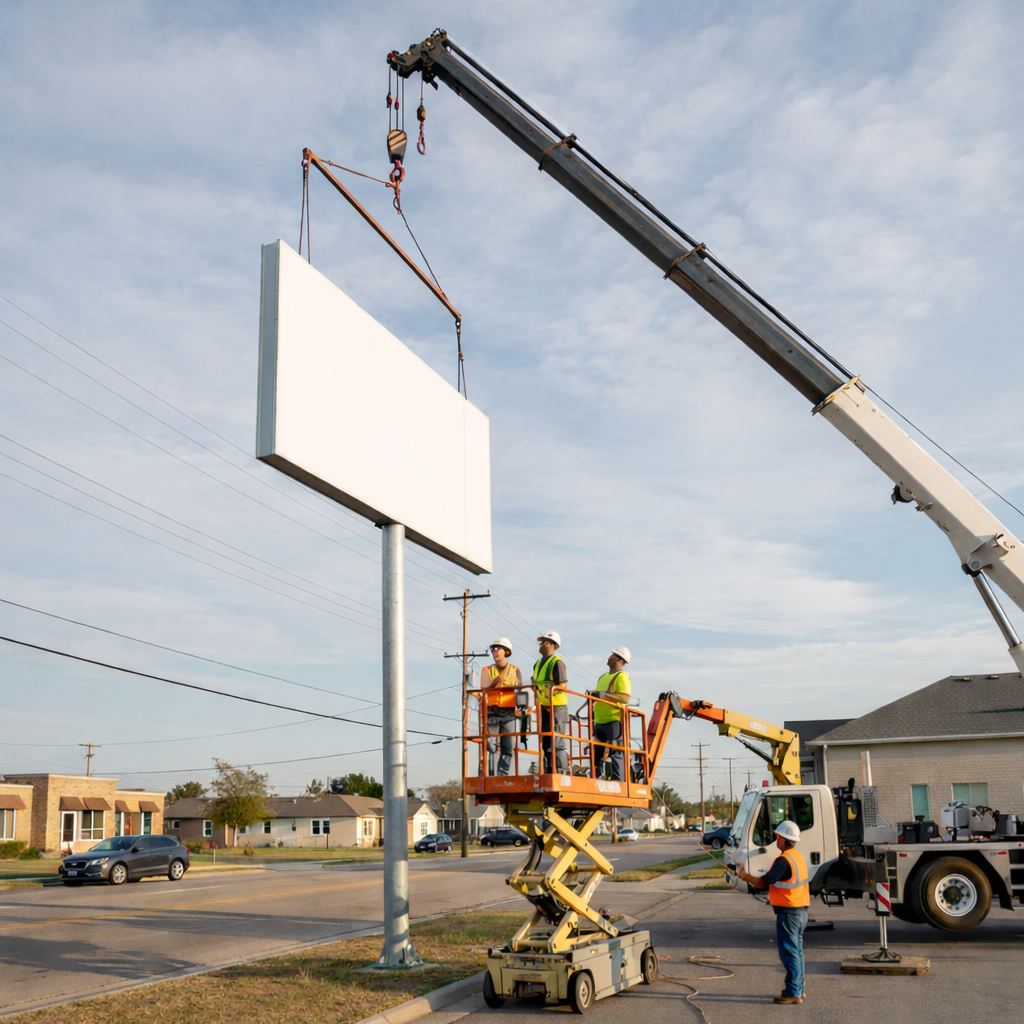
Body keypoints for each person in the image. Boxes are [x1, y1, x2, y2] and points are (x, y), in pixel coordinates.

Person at [736, 820, 809, 1004]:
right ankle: (798, 989)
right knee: (797, 953)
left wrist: (745, 875)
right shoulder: (797, 857)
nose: (775, 839)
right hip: (800, 912)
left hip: (789, 914)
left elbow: (763, 882)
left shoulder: (783, 861)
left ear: (782, 838)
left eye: (777, 836)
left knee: (790, 954)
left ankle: (793, 993)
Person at [480, 637, 522, 776]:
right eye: (493, 649)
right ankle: (490, 774)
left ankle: (501, 774)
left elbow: (520, 690)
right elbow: (483, 687)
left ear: (506, 651)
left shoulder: (515, 670)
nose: (494, 651)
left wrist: (521, 707)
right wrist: (494, 683)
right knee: (490, 744)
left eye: (497, 648)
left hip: (509, 713)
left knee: (507, 748)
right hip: (492, 711)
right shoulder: (487, 670)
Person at [591, 647, 632, 781]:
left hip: (614, 720)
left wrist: (601, 695)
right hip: (599, 721)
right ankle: (594, 776)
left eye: (613, 655)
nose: (610, 656)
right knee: (595, 753)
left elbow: (624, 698)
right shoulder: (603, 677)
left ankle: (618, 780)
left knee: (616, 753)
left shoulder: (622, 677)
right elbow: (598, 696)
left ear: (620, 659)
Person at [532, 631, 568, 774]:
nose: (542, 645)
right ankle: (549, 771)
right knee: (546, 742)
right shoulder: (537, 665)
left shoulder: (557, 663)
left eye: (546, 642)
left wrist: (549, 697)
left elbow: (562, 686)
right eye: (541, 642)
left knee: (557, 743)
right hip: (543, 708)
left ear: (554, 646)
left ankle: (561, 772)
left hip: (557, 707)